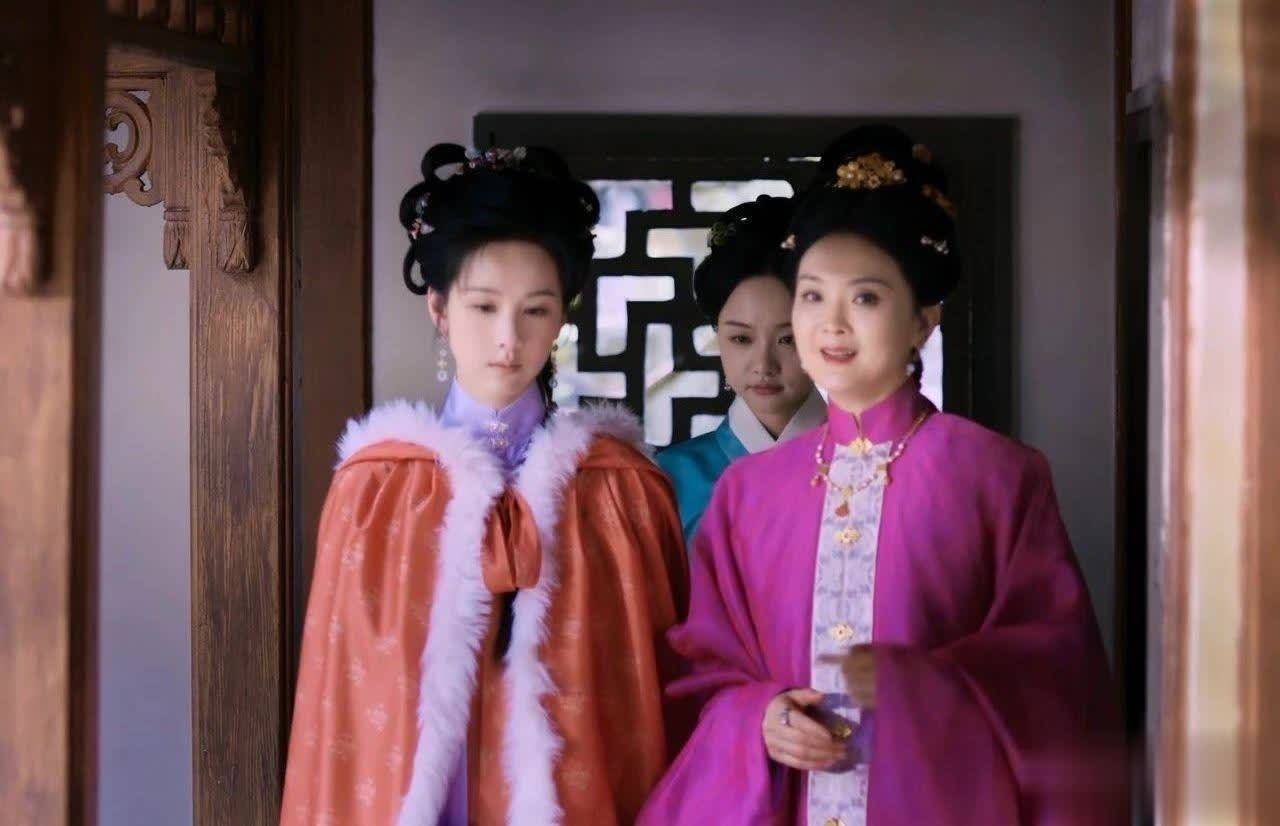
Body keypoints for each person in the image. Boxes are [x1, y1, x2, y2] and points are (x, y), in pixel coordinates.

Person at [638, 126, 1125, 826]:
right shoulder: (747, 494)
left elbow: (1059, 684)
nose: (831, 325)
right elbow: (699, 675)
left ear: (923, 320)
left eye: (864, 298)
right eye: (811, 296)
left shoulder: (997, 477)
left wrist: (923, 683)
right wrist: (761, 716)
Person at [280, 144, 689, 826]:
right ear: (439, 308)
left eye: (535, 310)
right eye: (483, 306)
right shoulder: (374, 490)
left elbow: (648, 716)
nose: (508, 338)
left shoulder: (622, 493)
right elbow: (344, 720)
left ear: (563, 316)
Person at [657, 195, 825, 543]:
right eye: (741, 339)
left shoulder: (872, 467)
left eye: (788, 339)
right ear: (718, 337)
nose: (763, 365)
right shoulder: (668, 480)